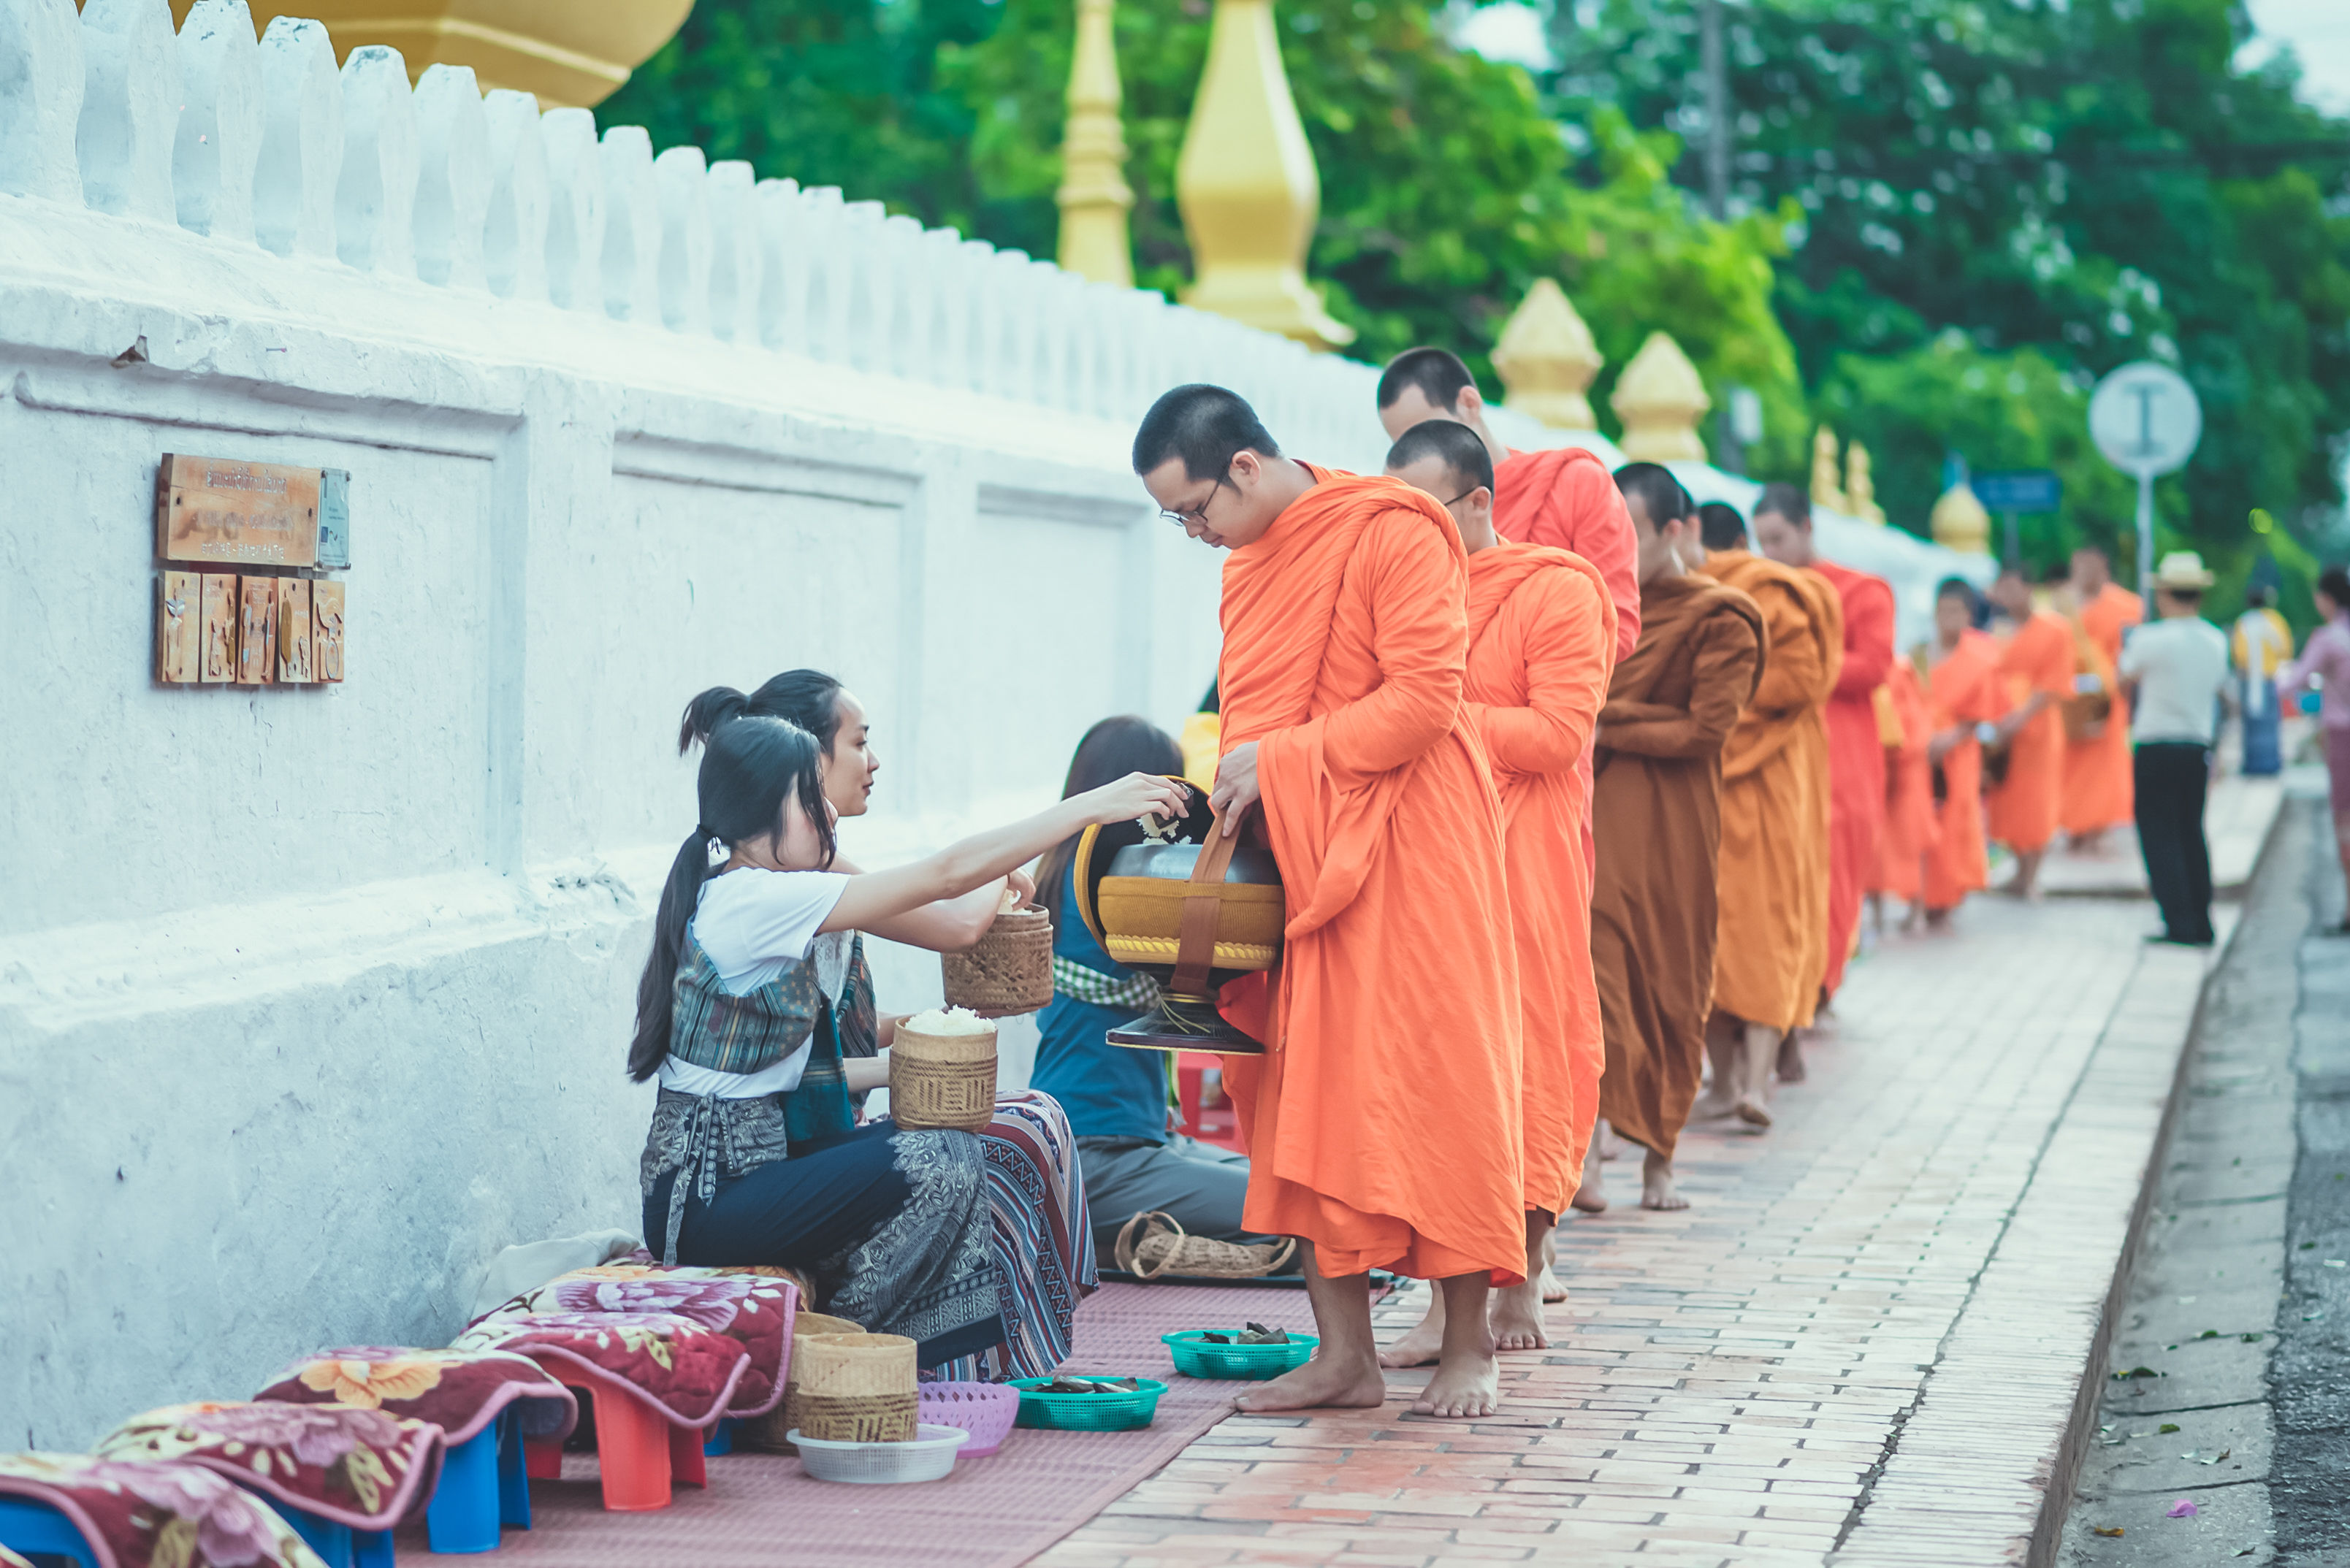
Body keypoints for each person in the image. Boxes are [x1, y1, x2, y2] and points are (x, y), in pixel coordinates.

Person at [1134, 383, 1523, 1420]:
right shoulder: (1252, 561)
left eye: (1195, 510)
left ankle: (1468, 1341)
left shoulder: (1393, 528)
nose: (1196, 534)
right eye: (1178, 520)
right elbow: (1257, 711)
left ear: (1246, 468)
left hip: (1415, 845)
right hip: (1304, 855)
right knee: (1301, 1097)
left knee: (1437, 1081)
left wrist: (1283, 757)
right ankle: (1342, 1350)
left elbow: (1424, 698)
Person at [635, 695, 1186, 1370]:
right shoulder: (755, 899)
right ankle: (851, 1352)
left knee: (953, 1143)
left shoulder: (760, 890)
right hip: (707, 1199)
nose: (830, 813)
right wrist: (1089, 807)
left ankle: (937, 1354)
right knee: (940, 1161)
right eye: (812, 798)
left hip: (750, 1175)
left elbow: (937, 900)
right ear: (764, 810)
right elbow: (946, 881)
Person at [703, 670, 1088, 1380]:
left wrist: (918, 1033)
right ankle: (877, 1365)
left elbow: (801, 1053)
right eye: (860, 741)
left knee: (1028, 1119)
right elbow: (951, 907)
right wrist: (1084, 809)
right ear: (805, 770)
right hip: (752, 1169)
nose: (873, 761)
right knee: (962, 1150)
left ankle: (1016, 1364)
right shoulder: (763, 890)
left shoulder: (784, 878)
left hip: (802, 1138)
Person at [1376, 418, 1614, 1362]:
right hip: (1428, 859)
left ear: (1480, 501)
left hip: (1525, 857)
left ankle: (1529, 1260)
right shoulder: (1404, 590)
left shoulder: (1555, 589)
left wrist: (1429, 716)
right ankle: (1444, 1298)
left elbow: (1556, 731)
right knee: (1441, 1068)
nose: (1415, 533)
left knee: (1530, 1055)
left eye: (1429, 511)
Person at [1026, 714, 1279, 1265]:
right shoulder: (1115, 890)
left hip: (1137, 1142)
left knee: (1293, 1191)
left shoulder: (1067, 873)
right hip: (1093, 1156)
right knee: (1289, 1209)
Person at [1582, 464, 1763, 1212]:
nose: (1614, 550)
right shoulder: (1593, 609)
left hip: (1673, 824)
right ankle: (1586, 1156)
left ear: (1676, 531)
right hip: (1594, 819)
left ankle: (1659, 1159)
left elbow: (1704, 727)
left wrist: (1604, 719)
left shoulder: (1720, 616)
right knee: (1594, 984)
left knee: (1667, 984)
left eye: (1628, 533)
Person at [1694, 498, 1842, 1121]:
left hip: (1768, 776)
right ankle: (1728, 1083)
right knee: (1718, 936)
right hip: (1714, 782)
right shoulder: (1693, 593)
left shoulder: (1766, 592)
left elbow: (1802, 679)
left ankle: (1749, 1084)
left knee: (1753, 930)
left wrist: (1722, 699)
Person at [1374, 348, 1639, 664]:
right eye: (1404, 443)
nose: (1419, 450)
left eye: (1429, 429)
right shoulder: (1417, 514)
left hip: (1554, 693)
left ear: (1469, 403)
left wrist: (1509, 658)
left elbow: (1616, 627)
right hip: (1442, 697)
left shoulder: (1575, 483)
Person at [1752, 482, 1895, 1010]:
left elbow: (1875, 666)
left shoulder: (1862, 590)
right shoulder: (1760, 588)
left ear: (1807, 529)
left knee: (1833, 877)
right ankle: (1783, 985)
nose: (1770, 553)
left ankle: (1818, 986)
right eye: (1761, 541)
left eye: (1778, 539)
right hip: (1776, 752)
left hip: (1842, 758)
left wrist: (1801, 671)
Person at [2119, 554, 2232, 946]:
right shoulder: (2217, 640)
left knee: (2159, 834)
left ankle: (2178, 922)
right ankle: (2201, 920)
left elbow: (2123, 677)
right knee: (2191, 831)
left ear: (2164, 594)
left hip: (2155, 744)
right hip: (2196, 746)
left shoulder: (2150, 638)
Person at [1983, 569, 2073, 898]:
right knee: (2007, 802)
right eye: (2001, 589)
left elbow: (2054, 682)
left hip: (2038, 726)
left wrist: (2021, 717)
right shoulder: (2000, 630)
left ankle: (2033, 875)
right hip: (2003, 727)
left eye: (2013, 588)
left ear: (2029, 588)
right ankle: (2019, 871)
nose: (2007, 596)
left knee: (2037, 801)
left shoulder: (2055, 629)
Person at [1922, 579, 2004, 924]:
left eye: (1956, 612)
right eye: (1943, 611)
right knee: (1925, 826)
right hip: (1923, 751)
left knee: (1955, 827)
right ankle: (1926, 898)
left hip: (1959, 752)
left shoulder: (1977, 658)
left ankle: (1947, 897)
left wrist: (1949, 739)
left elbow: (1977, 715)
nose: (1949, 618)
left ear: (1968, 616)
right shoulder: (1920, 654)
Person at [2281, 564, 2350, 932]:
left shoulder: (2328, 640)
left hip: (2342, 737)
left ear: (2326, 598)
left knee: (2345, 820)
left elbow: (2295, 681)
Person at [2063, 547, 2145, 846]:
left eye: (2091, 565)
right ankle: (2075, 827)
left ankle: (2097, 829)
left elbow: (2131, 652)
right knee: (2070, 767)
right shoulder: (2063, 604)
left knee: (2104, 768)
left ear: (2104, 567)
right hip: (2070, 699)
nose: (2085, 572)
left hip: (2108, 697)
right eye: (2079, 565)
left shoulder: (2126, 606)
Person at [1869, 651, 1939, 933]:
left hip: (1908, 766)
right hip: (1874, 759)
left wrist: (1906, 750)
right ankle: (1876, 913)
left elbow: (1918, 717)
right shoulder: (1871, 667)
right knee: (1873, 843)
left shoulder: (1903, 669)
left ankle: (1917, 909)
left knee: (1913, 837)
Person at [2232, 586, 2293, 777]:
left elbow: (2239, 655)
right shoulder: (2275, 620)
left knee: (2251, 723)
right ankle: (2271, 762)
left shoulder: (2244, 622)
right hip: (2270, 677)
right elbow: (2285, 648)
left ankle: (2253, 763)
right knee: (2271, 722)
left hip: (2250, 678)